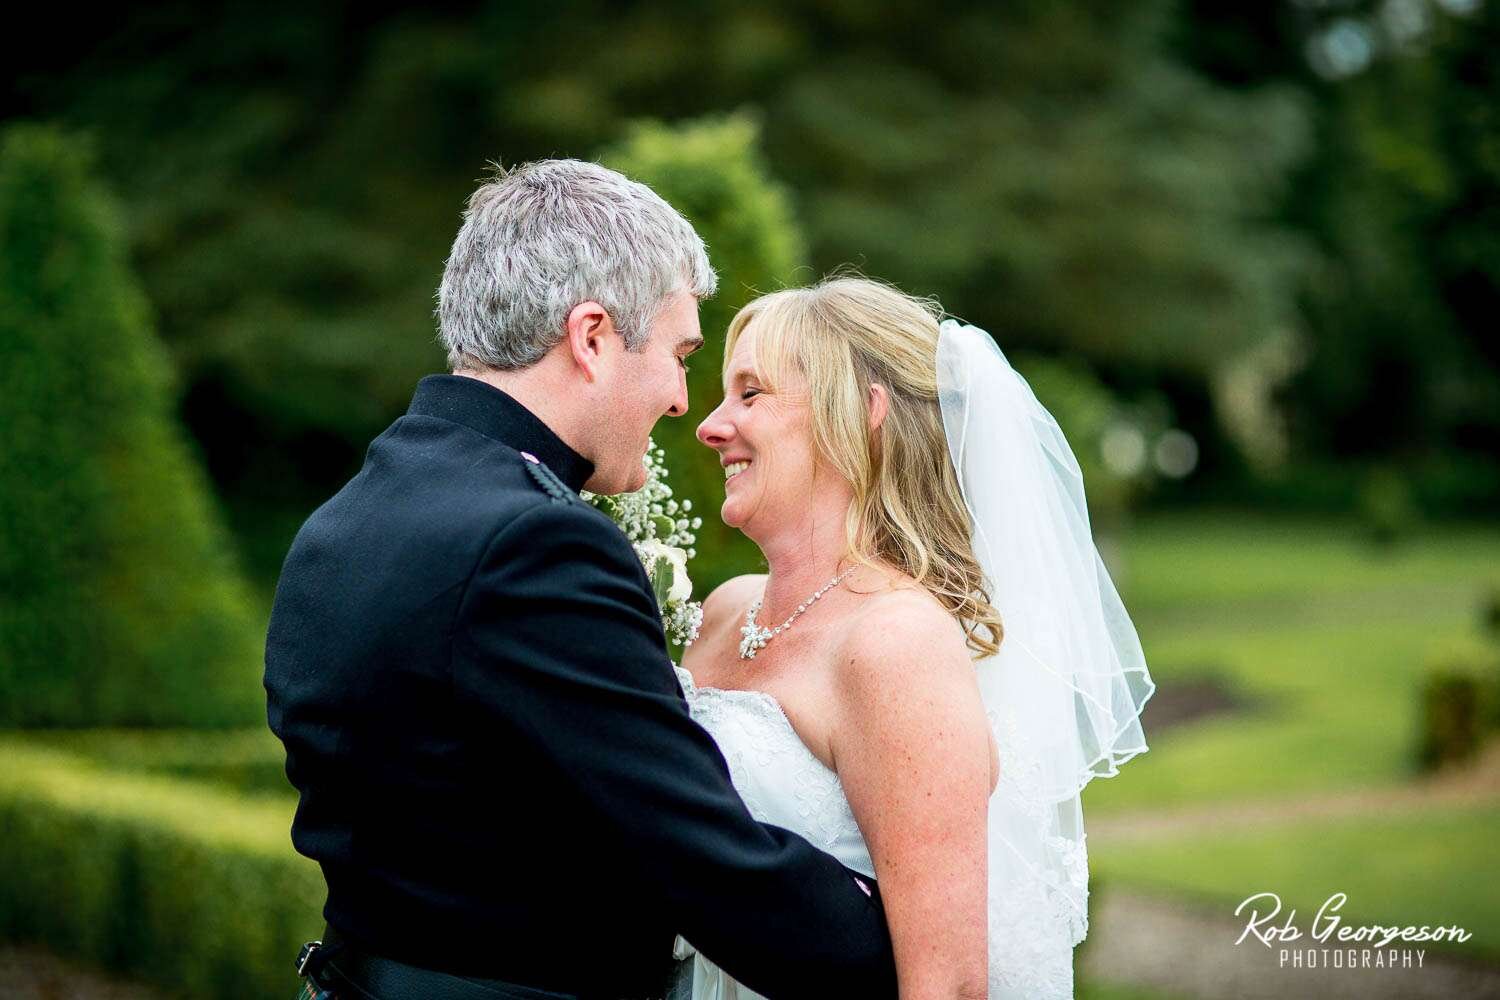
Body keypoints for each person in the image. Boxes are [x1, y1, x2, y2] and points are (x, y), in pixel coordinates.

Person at [264, 162, 897, 1000]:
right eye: (679, 354)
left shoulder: (350, 514)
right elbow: (692, 855)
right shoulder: (536, 542)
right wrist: (911, 952)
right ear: (592, 337)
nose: (682, 402)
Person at [679, 275, 1156, 999]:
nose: (709, 426)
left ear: (864, 412)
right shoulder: (723, 612)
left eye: (751, 394)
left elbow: (948, 983)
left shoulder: (896, 642)